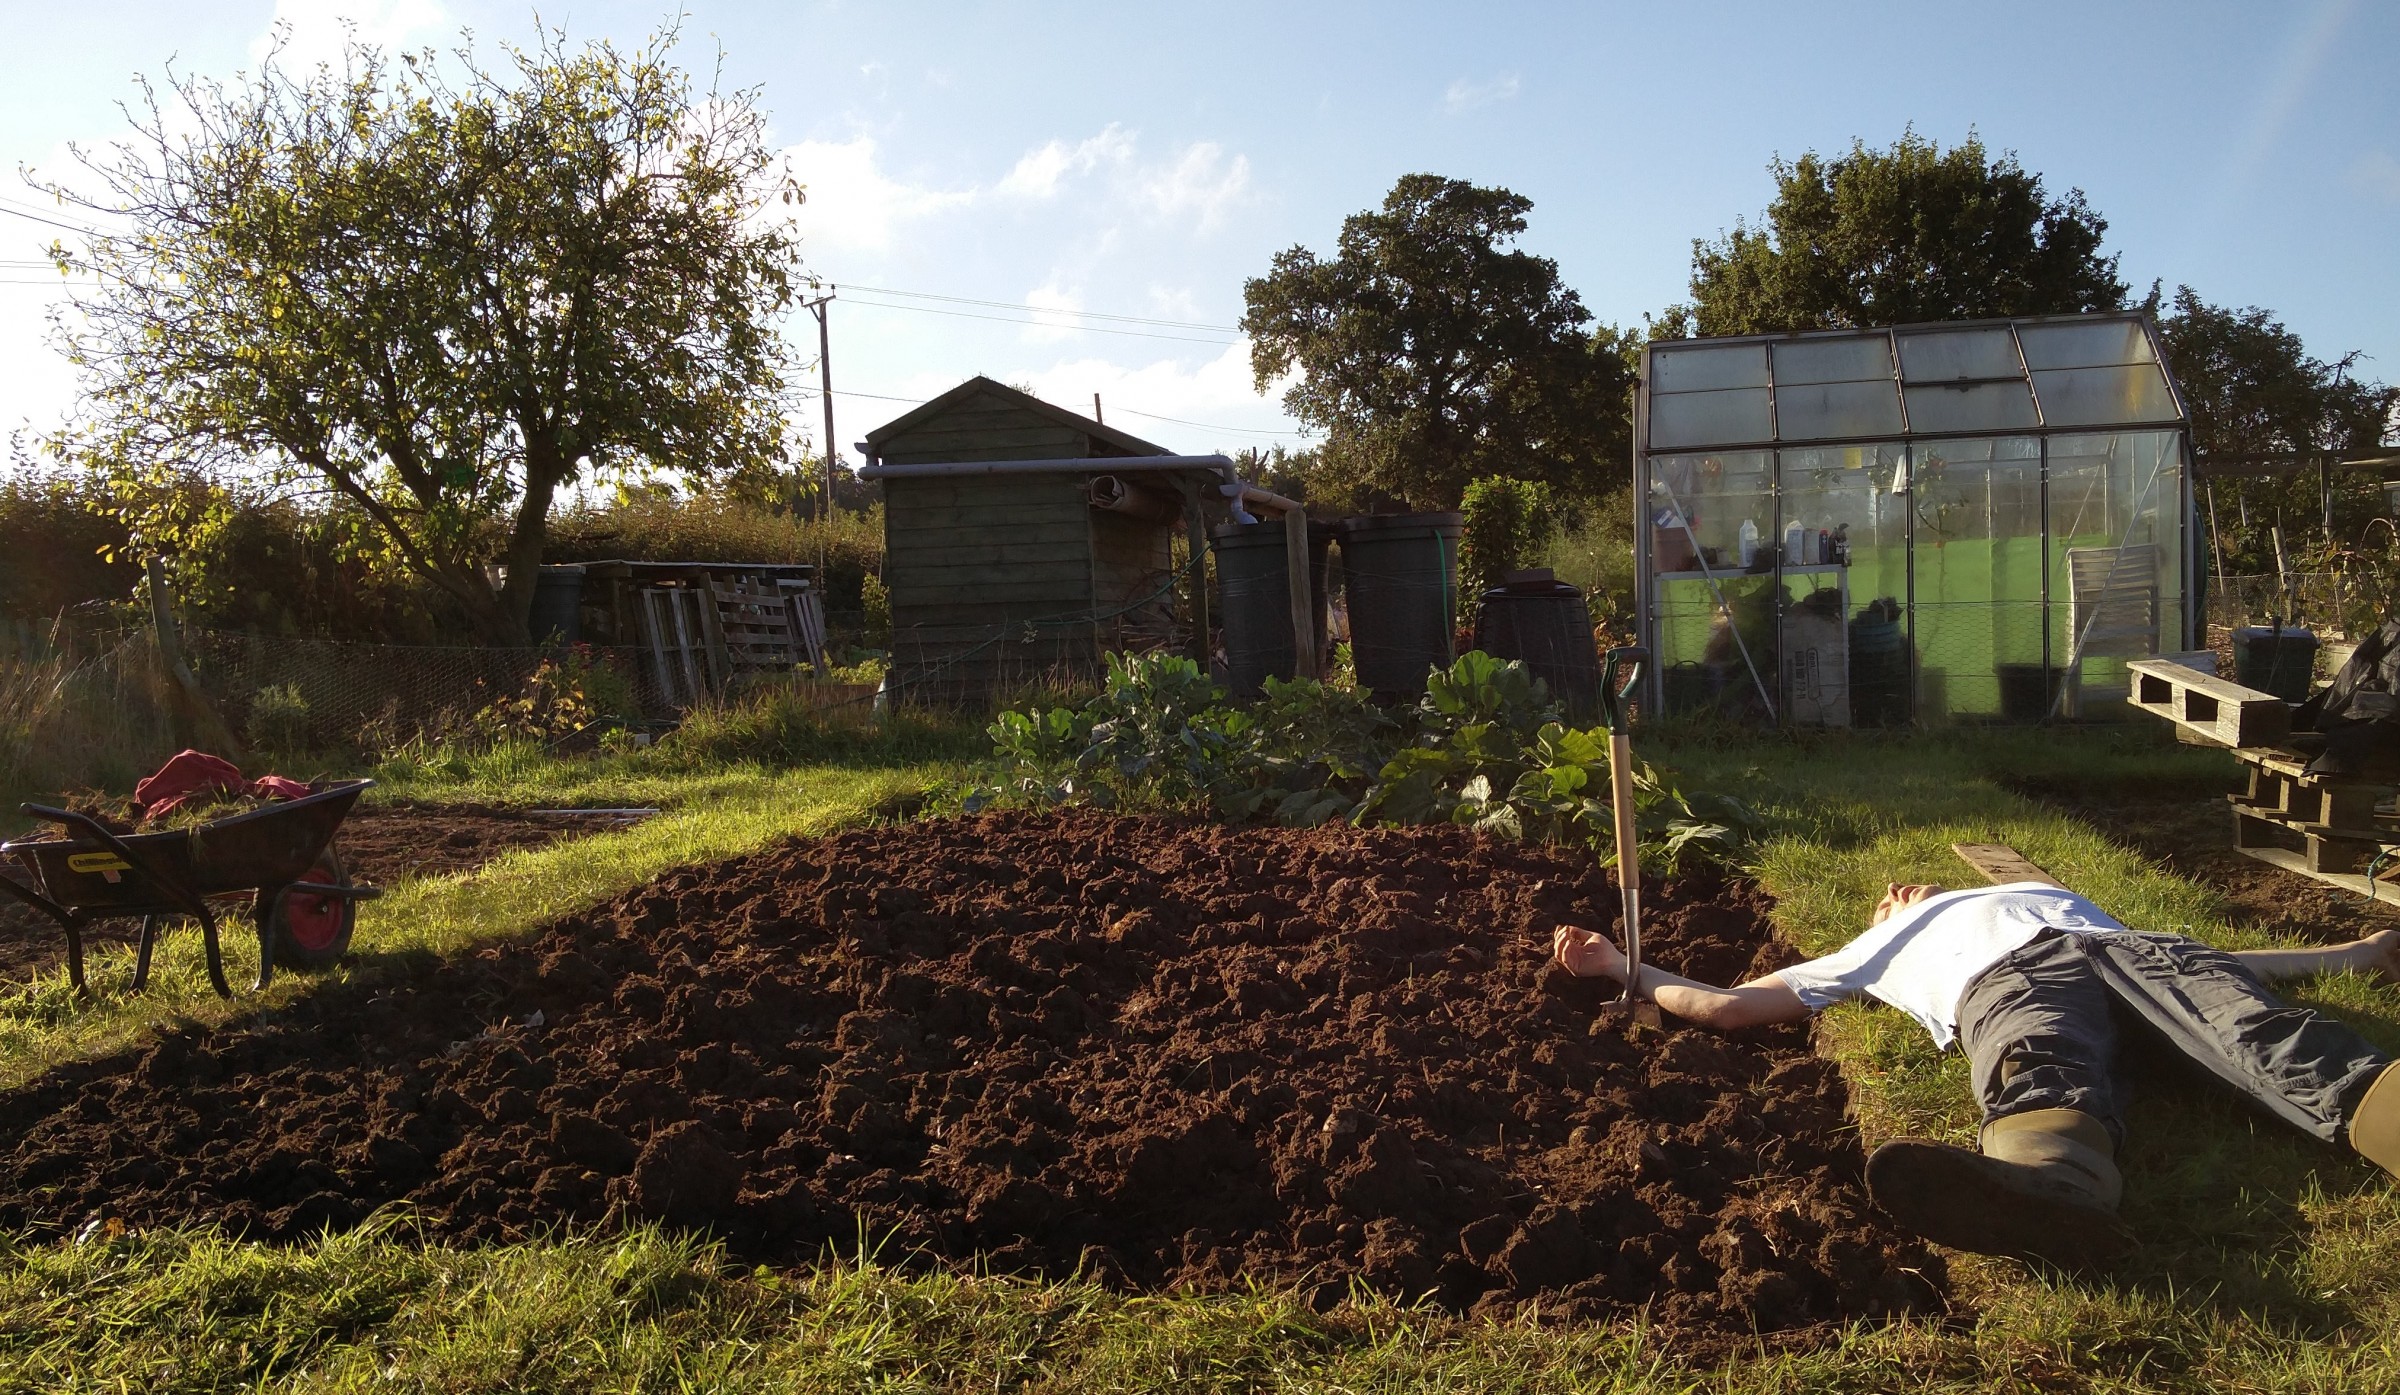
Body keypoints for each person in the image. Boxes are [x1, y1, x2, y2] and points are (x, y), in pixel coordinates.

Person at [1551, 879, 2400, 1266]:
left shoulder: (2030, 889)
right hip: (2008, 982)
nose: (1897, 885)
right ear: (1879, 914)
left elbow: (2231, 965)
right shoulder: (1862, 953)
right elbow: (1727, 1007)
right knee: (2039, 1065)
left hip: (2130, 951)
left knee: (2258, 1030)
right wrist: (1622, 966)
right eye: (1886, 894)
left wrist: (2358, 952)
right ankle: (2048, 1190)